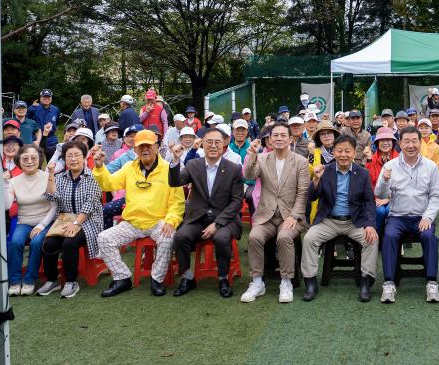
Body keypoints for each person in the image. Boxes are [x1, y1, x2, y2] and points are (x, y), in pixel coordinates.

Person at [92, 129, 185, 297]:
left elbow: (177, 202)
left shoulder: (169, 168)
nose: (145, 149)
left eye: (149, 145)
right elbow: (109, 184)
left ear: (157, 147)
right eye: (141, 146)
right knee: (104, 238)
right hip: (132, 223)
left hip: (158, 222)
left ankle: (157, 279)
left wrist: (171, 221)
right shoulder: (129, 168)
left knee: (168, 236)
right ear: (135, 149)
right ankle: (122, 278)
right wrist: (99, 167)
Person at [301, 134, 378, 302]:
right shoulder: (325, 170)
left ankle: (366, 281)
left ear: (354, 153)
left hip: (354, 222)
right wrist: (316, 179)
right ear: (334, 152)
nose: (343, 155)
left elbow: (369, 202)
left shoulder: (362, 173)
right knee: (309, 239)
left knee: (371, 239)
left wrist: (370, 225)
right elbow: (312, 197)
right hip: (329, 221)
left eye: (347, 151)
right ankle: (310, 282)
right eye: (339, 151)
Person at [167, 128, 243, 298]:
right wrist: (175, 160)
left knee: (221, 238)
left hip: (225, 219)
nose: (213, 146)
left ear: (224, 144)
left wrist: (217, 224)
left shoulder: (233, 169)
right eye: (209, 142)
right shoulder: (193, 165)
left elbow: (237, 201)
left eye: (217, 142)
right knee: (180, 237)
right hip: (198, 218)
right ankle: (188, 278)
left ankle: (223, 279)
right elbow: (175, 182)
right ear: (202, 144)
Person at [241, 123, 310, 303]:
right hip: (267, 215)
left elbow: (303, 192)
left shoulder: (300, 161)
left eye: (283, 135)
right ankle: (257, 282)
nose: (279, 138)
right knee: (254, 237)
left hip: (290, 215)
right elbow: (249, 176)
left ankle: (286, 282)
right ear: (270, 140)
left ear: (290, 139)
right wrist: (252, 155)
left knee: (284, 237)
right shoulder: (262, 158)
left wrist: (294, 216)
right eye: (275, 135)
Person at [375, 126, 439, 304]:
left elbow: (436, 195)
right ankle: (389, 283)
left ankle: (431, 282)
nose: (411, 145)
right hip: (397, 217)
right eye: (406, 141)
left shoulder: (430, 166)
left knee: (429, 236)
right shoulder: (390, 166)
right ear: (400, 143)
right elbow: (380, 194)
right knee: (389, 236)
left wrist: (428, 217)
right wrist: (384, 180)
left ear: (420, 143)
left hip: (421, 217)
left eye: (414, 141)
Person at [34, 140, 104, 298]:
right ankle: (52, 280)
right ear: (64, 159)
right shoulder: (60, 177)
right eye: (69, 156)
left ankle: (71, 281)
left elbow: (91, 204)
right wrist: (51, 174)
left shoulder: (93, 176)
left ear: (84, 157)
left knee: (69, 242)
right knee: (49, 243)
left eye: (77, 155)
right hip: (65, 220)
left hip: (89, 221)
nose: (73, 159)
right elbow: (51, 196)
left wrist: (76, 223)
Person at [4, 144, 55, 296]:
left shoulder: (47, 177)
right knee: (15, 243)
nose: (29, 161)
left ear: (40, 159)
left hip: (45, 221)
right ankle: (14, 281)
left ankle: (29, 280)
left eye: (33, 158)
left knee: (36, 242)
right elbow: (6, 205)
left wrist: (42, 225)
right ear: (19, 161)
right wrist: (5, 184)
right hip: (24, 221)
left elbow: (54, 207)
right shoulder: (14, 181)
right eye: (25, 158)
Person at [366, 127, 398, 236]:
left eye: (388, 140)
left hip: (396, 197)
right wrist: (369, 160)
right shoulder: (372, 158)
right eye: (382, 140)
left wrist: (388, 199)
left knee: (389, 210)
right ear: (377, 143)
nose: (385, 143)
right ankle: (378, 238)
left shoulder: (399, 159)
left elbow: (401, 184)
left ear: (393, 142)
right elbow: (370, 182)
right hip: (377, 197)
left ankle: (393, 238)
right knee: (379, 211)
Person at [28, 88, 61, 157]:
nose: (46, 99)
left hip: (50, 140)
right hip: (36, 138)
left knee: (52, 161)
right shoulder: (33, 108)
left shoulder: (56, 110)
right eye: (44, 97)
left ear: (51, 98)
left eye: (48, 97)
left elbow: (56, 122)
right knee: (35, 160)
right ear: (40, 98)